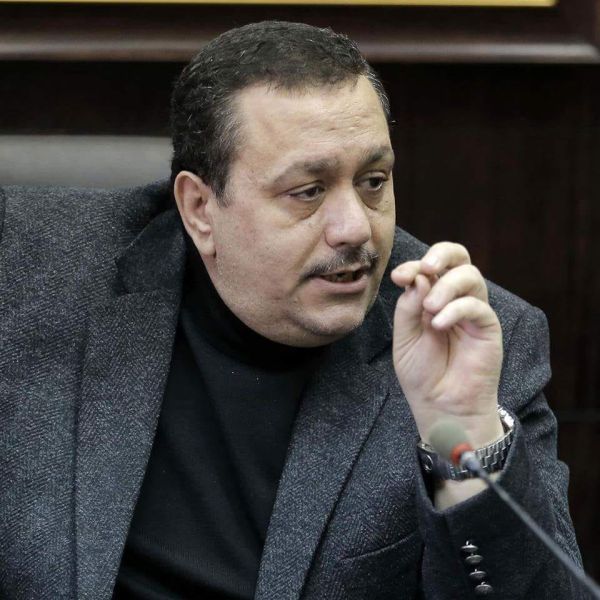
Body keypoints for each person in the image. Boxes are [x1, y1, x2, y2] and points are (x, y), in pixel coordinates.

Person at [0, 20, 583, 600]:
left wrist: (460, 435)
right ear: (200, 209)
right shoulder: (30, 271)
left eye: (373, 182)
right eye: (308, 191)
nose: (355, 228)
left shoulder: (468, 339)